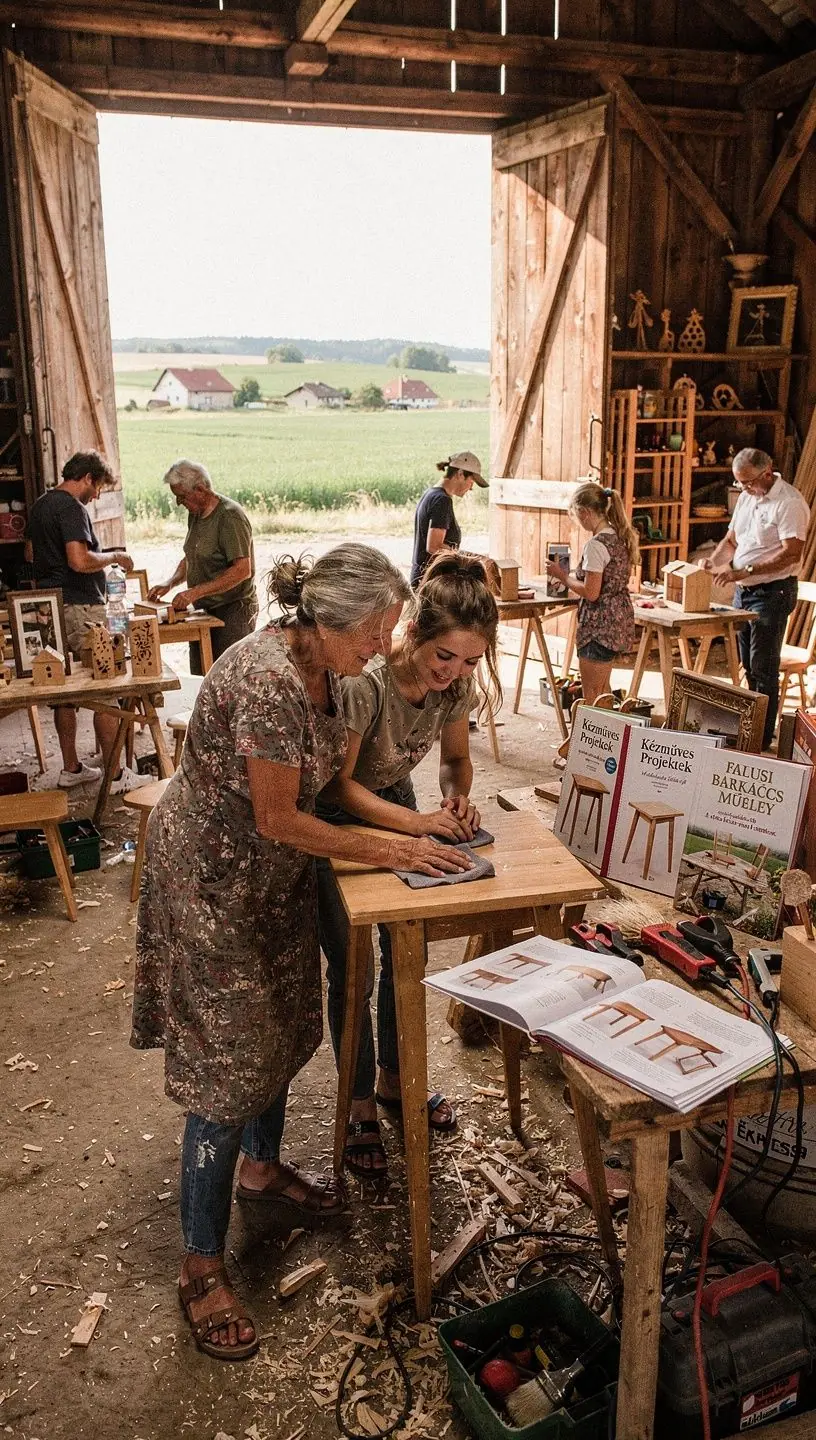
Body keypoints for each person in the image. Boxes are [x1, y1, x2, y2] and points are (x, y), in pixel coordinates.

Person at [131, 544, 472, 1362]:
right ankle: (200, 1265)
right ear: (332, 619)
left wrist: (412, 822)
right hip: (213, 884)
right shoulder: (266, 682)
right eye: (377, 630)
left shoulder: (332, 672)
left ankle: (261, 1170)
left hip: (270, 879)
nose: (384, 645)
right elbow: (279, 817)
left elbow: (325, 794)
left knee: (283, 1031)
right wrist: (396, 848)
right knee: (225, 1067)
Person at [317, 553, 501, 1181]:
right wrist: (418, 825)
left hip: (394, 799)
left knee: (406, 952)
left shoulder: (457, 685)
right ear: (413, 631)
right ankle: (358, 1102)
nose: (454, 672)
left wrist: (454, 798)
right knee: (354, 968)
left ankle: (396, 1079)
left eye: (470, 662)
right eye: (444, 656)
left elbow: (454, 760)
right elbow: (338, 786)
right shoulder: (367, 684)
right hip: (338, 817)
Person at [25, 449, 150, 793]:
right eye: (98, 489)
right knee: (105, 688)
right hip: (80, 606)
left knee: (62, 690)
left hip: (50, 607)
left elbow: (31, 554)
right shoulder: (71, 507)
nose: (96, 497)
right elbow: (79, 561)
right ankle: (115, 776)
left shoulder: (41, 505)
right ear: (88, 478)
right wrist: (114, 556)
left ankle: (71, 768)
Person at [702, 448, 810, 750]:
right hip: (744, 591)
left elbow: (791, 553)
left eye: (748, 482)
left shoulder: (789, 503)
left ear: (767, 472)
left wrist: (745, 571)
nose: (743, 488)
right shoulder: (747, 497)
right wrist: (713, 561)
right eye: (739, 482)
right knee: (747, 664)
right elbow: (732, 541)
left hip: (772, 592)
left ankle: (760, 739)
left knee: (763, 667)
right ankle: (749, 727)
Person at [147, 460, 258, 673]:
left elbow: (242, 570)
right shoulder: (196, 514)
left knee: (228, 676)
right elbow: (192, 557)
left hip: (233, 611)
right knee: (201, 676)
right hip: (204, 610)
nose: (178, 503)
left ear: (200, 489)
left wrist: (195, 592)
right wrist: (170, 583)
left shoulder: (230, 516)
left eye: (182, 496)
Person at [545, 482, 639, 706]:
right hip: (616, 621)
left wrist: (562, 576)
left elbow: (591, 592)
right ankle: (609, 729)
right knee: (603, 690)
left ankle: (597, 729)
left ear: (585, 512)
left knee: (593, 695)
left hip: (598, 626)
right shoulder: (619, 537)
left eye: (577, 515)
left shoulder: (596, 546)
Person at [410, 451, 488, 588]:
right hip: (431, 582)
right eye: (471, 481)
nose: (471, 488)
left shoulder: (431, 494)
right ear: (460, 474)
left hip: (424, 579)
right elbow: (434, 546)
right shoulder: (442, 500)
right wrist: (469, 559)